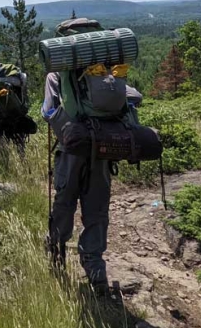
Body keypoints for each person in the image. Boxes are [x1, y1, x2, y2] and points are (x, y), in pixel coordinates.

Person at [41, 71, 143, 293]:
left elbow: (47, 111)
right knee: (97, 211)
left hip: (70, 151)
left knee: (64, 203)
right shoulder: (104, 72)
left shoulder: (56, 75)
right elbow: (135, 96)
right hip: (102, 151)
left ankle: (56, 251)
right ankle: (96, 272)